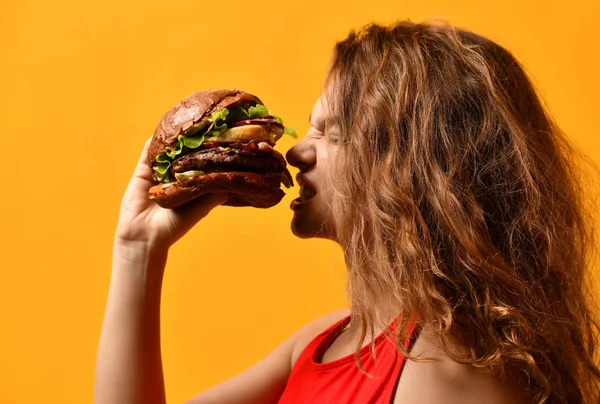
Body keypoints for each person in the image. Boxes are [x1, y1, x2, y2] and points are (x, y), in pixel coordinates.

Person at [94, 21, 600, 404]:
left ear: (418, 166)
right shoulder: (320, 343)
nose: (296, 153)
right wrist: (137, 247)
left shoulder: (450, 372)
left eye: (332, 133)